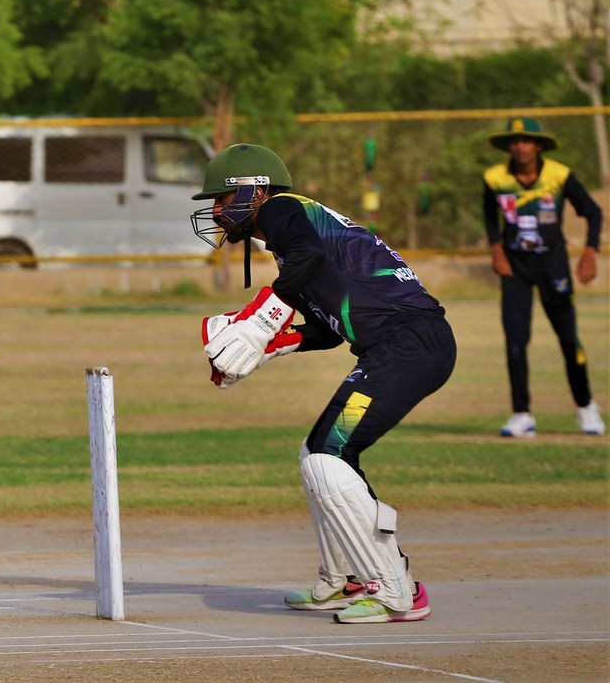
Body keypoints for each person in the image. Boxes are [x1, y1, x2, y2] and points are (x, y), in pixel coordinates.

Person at [190, 143, 455, 624]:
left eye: (222, 199)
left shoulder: (281, 209)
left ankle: (396, 591)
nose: (215, 212)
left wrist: (260, 320)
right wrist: (274, 344)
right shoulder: (297, 238)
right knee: (317, 453)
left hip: (408, 347)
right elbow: (327, 330)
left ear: (254, 191)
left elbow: (306, 258)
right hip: (406, 347)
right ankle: (345, 578)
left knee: (327, 458)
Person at [482, 117, 604, 438]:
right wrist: (496, 250)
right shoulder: (495, 178)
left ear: (538, 145)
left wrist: (590, 252)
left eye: (527, 140)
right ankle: (521, 414)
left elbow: (593, 212)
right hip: (515, 267)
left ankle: (585, 406)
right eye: (515, 141)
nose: (520, 147)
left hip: (553, 264)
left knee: (568, 337)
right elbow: (490, 216)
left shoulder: (559, 175)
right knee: (515, 340)